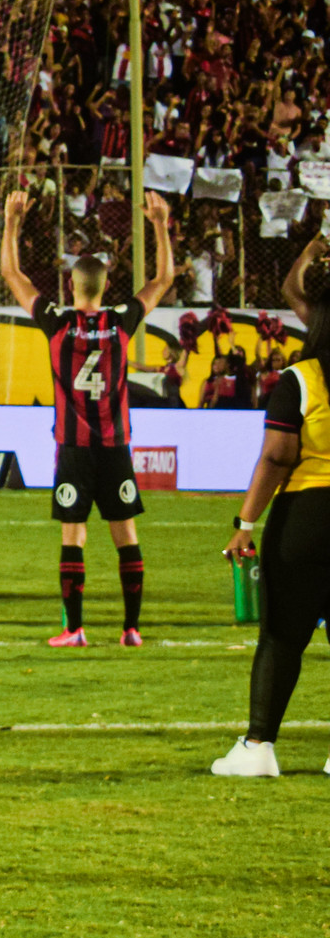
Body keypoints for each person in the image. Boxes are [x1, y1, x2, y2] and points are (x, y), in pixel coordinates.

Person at [0, 189, 175, 648]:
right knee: (126, 536)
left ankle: (74, 629)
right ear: (104, 287)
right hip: (115, 447)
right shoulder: (121, 321)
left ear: (71, 286)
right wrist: (159, 224)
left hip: (74, 449)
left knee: (73, 537)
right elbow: (162, 279)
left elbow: (11, 274)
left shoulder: (56, 321)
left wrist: (12, 221)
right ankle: (131, 629)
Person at [212, 267, 330, 777]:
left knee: (281, 636)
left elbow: (278, 456)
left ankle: (258, 747)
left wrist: (245, 521)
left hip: (308, 518)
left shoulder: (301, 377)